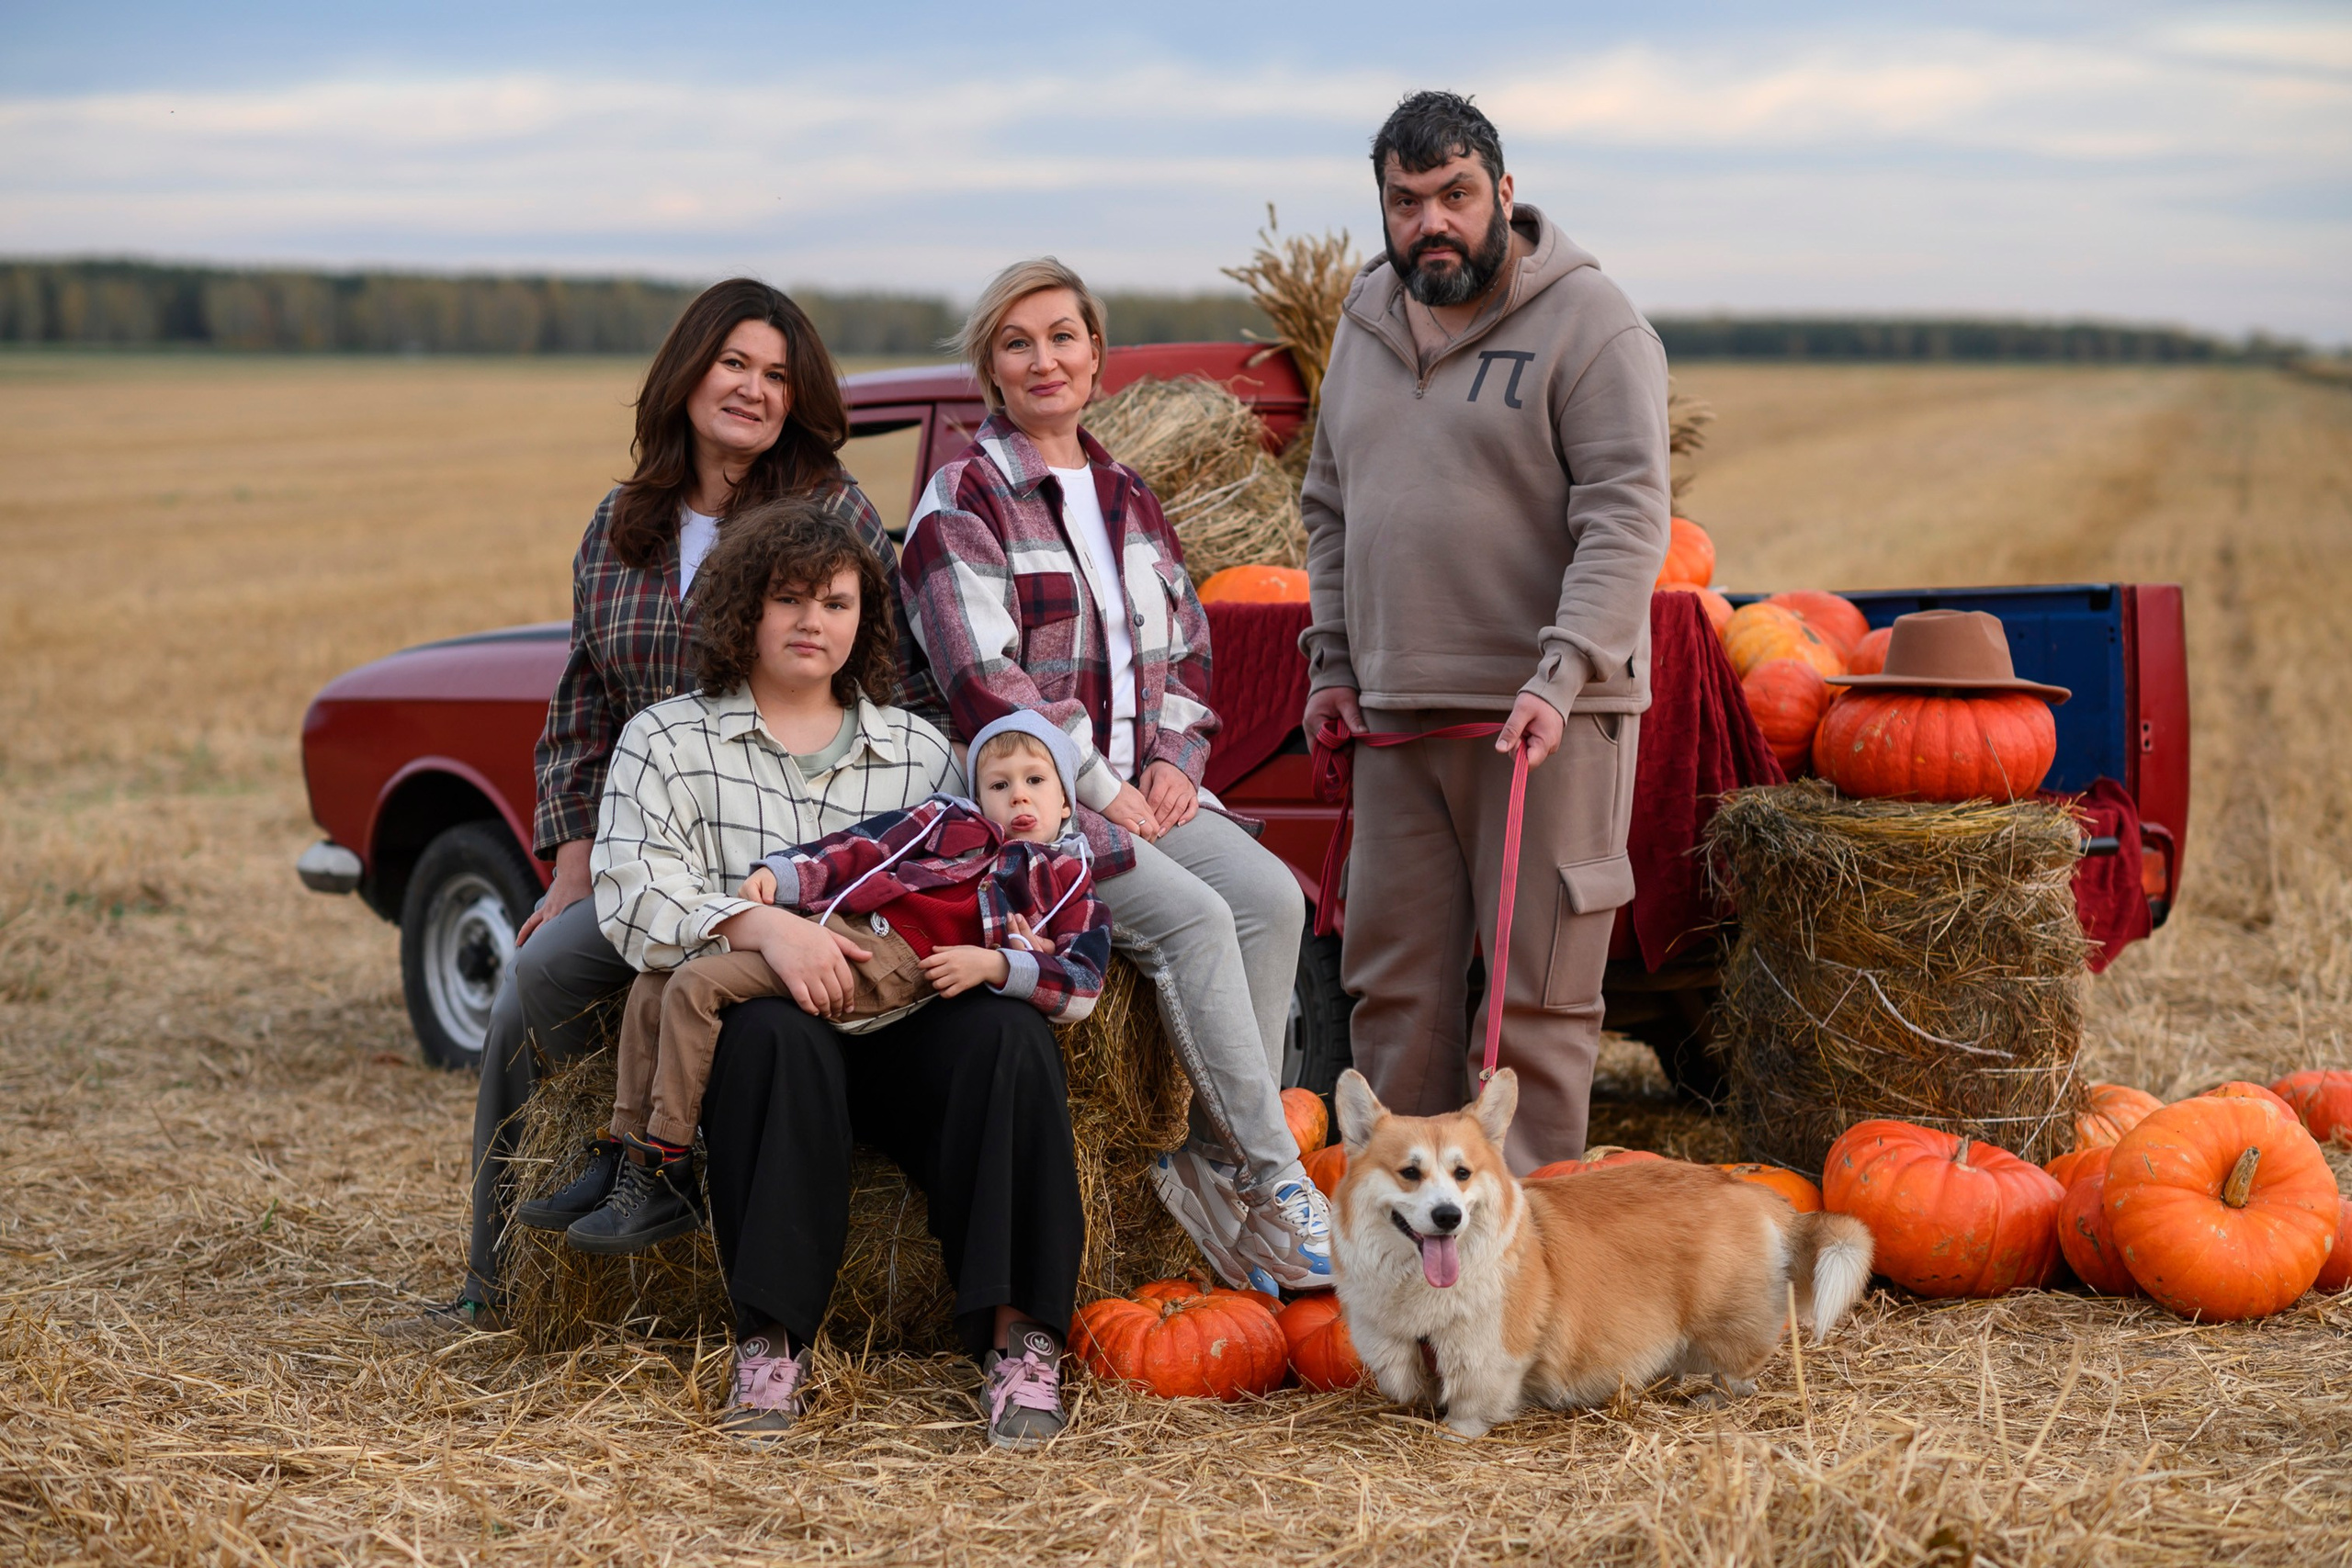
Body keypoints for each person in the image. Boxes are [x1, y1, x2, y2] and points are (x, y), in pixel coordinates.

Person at [379, 277, 933, 1343]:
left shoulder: (836, 513)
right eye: (734, 364)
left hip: (795, 856)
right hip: (650, 856)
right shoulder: (621, 525)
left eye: (776, 376)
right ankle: (498, 1280)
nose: (752, 390)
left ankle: (664, 1173)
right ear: (687, 373)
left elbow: (888, 689)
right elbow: (583, 699)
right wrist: (574, 860)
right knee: (533, 982)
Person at [895, 257, 1329, 1294]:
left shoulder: (1130, 495)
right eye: (1016, 342)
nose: (1044, 359)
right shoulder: (960, 503)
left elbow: (1189, 648)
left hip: (1147, 793)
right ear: (988, 371)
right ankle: (1273, 1182)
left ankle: (1218, 1166)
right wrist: (1098, 784)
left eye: (1062, 336)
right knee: (1191, 919)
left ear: (1096, 356)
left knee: (1271, 899)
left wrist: (1178, 763)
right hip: (1030, 811)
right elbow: (981, 681)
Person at [605, 502, 1082, 1444]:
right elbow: (628, 895)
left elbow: (997, 860)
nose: (812, 620)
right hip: (772, 1036)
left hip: (903, 1023)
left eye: (835, 601)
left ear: (866, 618)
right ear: (744, 607)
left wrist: (1023, 929)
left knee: (1010, 1037)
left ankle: (1019, 1341)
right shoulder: (666, 742)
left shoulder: (917, 753)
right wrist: (761, 926)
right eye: (788, 598)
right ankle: (771, 1346)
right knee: (778, 1039)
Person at [1299, 92, 1670, 1171]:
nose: (1432, 224)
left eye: (1455, 196)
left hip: (1543, 717)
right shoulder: (1367, 318)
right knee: (1394, 992)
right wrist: (1333, 661)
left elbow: (1625, 514)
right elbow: (1330, 505)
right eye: (1405, 202)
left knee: (1535, 1006)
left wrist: (1560, 676)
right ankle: (1404, 1257)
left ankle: (1531, 1279)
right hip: (1396, 722)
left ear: (1503, 195)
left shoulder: (1591, 324)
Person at [548, 708, 1108, 1256]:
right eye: (998, 784)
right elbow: (861, 846)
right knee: (657, 977)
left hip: (885, 963)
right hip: (834, 926)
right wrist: (785, 873)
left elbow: (1082, 982)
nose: (1018, 796)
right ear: (976, 795)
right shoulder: (947, 821)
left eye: (1036, 780)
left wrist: (1002, 965)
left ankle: (667, 1172)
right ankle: (627, 1150)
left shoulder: (1067, 880)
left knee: (695, 987)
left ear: (1064, 800)